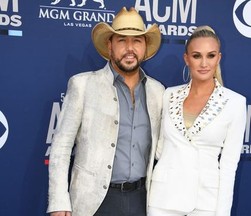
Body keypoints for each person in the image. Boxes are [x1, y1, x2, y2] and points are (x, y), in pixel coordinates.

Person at [46, 7, 164, 216]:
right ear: (109, 46)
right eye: (122, 41)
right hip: (93, 202)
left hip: (141, 201)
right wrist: (58, 201)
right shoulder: (82, 85)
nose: (130, 48)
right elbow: (61, 147)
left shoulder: (157, 91)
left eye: (137, 41)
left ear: (145, 48)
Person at [148, 26, 247, 216]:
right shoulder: (169, 95)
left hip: (206, 202)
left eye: (210, 56)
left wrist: (222, 213)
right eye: (196, 56)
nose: (204, 63)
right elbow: (160, 148)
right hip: (163, 199)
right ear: (186, 59)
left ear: (219, 58)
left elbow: (228, 166)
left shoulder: (235, 103)